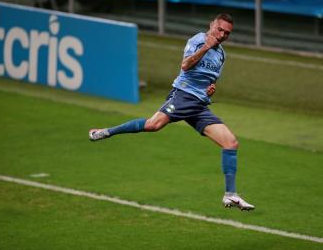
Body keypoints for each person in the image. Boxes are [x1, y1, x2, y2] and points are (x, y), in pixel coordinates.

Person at [89, 13, 254, 211]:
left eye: (227, 33)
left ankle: (230, 195)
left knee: (231, 143)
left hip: (199, 104)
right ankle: (106, 131)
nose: (222, 35)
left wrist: (211, 88)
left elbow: (211, 79)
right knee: (153, 125)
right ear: (212, 25)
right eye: (220, 29)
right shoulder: (198, 41)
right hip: (183, 95)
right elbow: (185, 65)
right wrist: (206, 47)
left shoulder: (221, 55)